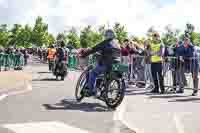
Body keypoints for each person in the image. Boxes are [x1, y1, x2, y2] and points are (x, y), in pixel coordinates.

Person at [80, 29, 121, 96]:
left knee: (93, 73)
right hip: (116, 65)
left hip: (106, 64)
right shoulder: (117, 44)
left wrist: (84, 55)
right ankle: (102, 89)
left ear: (107, 36)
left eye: (105, 35)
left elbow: (93, 49)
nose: (105, 37)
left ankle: (91, 90)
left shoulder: (106, 42)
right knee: (103, 74)